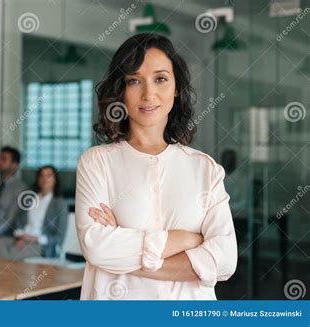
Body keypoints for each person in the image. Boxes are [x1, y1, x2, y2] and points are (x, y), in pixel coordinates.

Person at [75, 33, 237, 300]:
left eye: (160, 79)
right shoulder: (97, 162)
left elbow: (225, 260)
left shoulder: (204, 169)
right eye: (134, 81)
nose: (148, 94)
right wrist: (188, 241)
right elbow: (97, 249)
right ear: (121, 90)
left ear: (176, 88)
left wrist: (124, 247)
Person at [0, 165, 69, 260]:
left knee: (10, 253)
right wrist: (22, 238)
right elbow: (18, 223)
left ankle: (3, 270)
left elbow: (59, 237)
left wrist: (35, 239)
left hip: (41, 244)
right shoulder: (30, 198)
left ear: (55, 180)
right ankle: (6, 270)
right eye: (41, 175)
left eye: (49, 175)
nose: (44, 178)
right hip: (22, 238)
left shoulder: (59, 203)